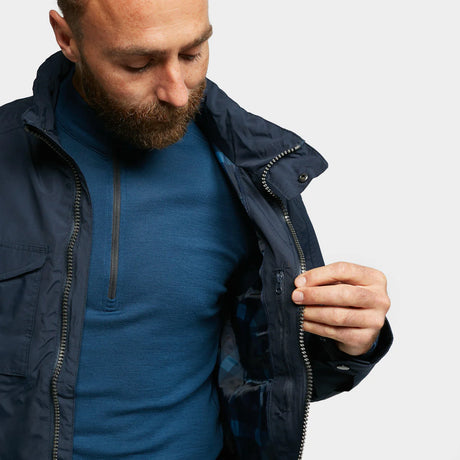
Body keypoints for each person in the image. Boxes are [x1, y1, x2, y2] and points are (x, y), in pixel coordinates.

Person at [0, 0, 392, 459]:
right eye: (137, 64)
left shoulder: (250, 172)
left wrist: (349, 338)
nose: (177, 92)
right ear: (68, 38)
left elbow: (282, 370)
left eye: (192, 53)